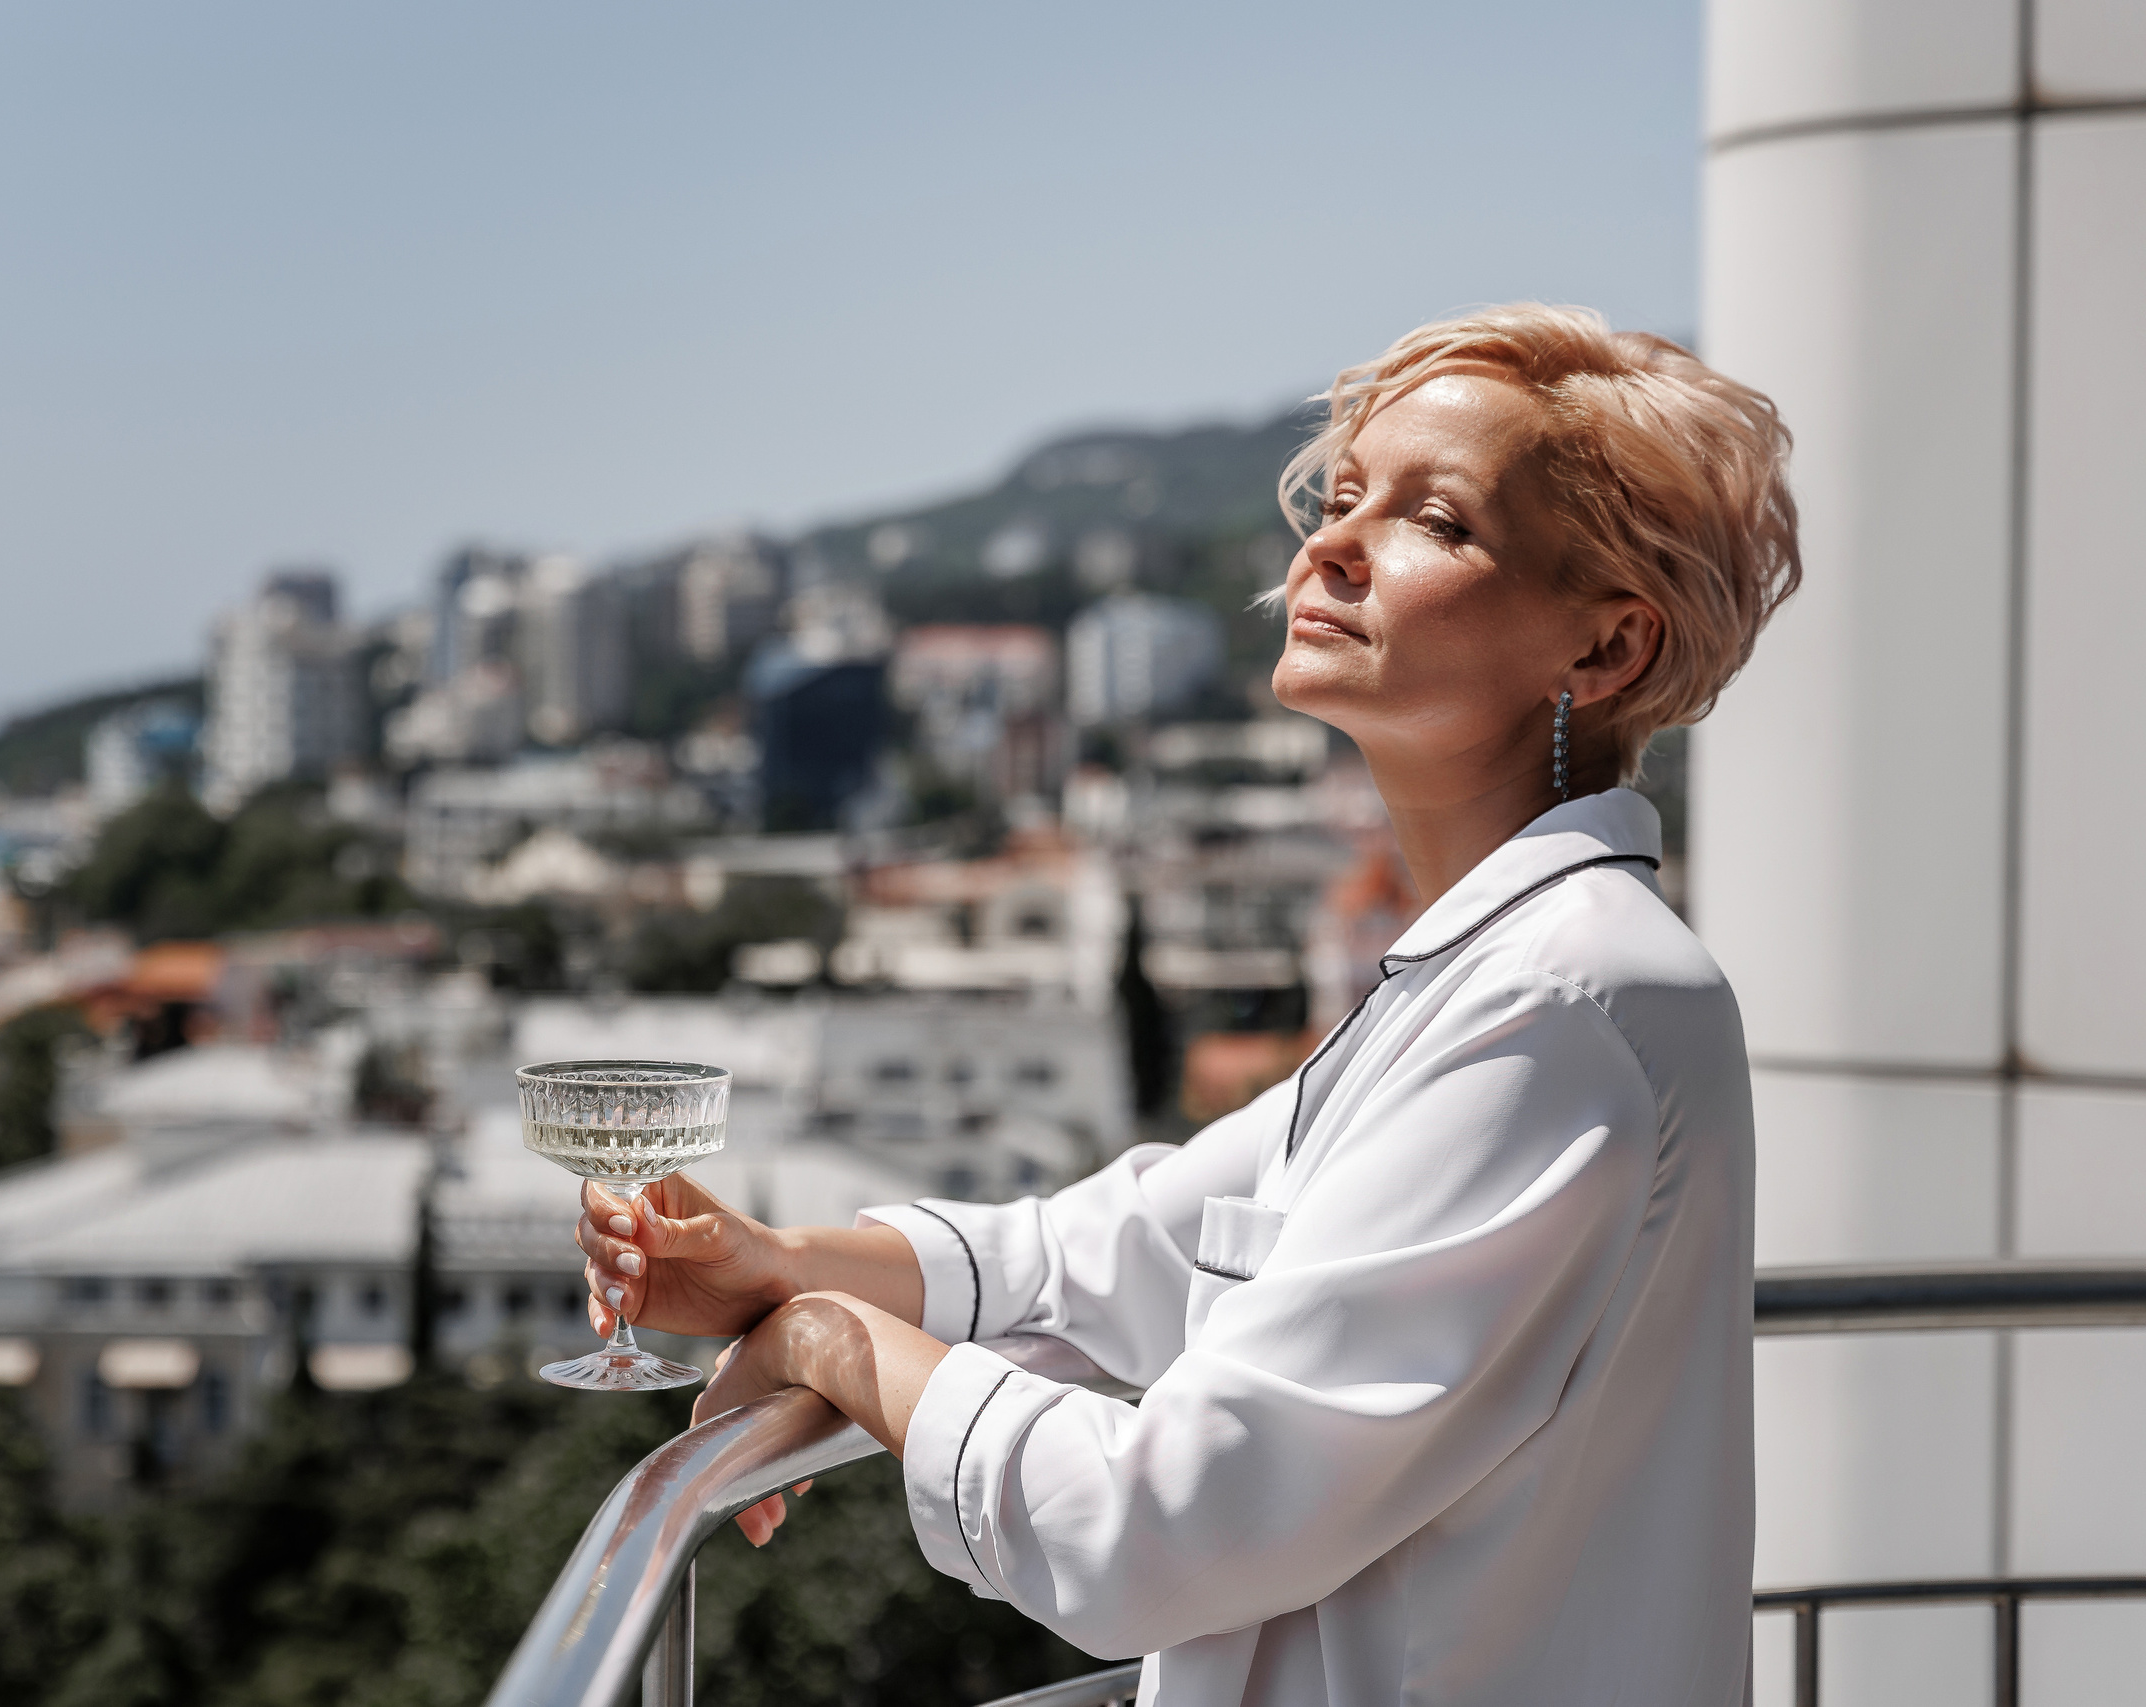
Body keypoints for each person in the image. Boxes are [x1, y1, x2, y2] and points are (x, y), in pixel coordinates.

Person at [571, 304, 1800, 1706]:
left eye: (1437, 521)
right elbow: (1112, 1247)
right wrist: (777, 1257)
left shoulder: (1560, 1003)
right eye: (1341, 497)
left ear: (1608, 653)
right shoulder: (1486, 974)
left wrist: (826, 1342)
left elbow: (1164, 1532)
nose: (1331, 545)